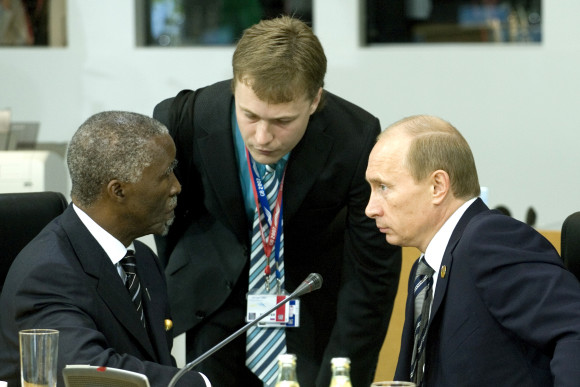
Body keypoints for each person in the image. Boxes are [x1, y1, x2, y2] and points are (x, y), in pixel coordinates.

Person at [152, 16, 401, 387]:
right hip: (215, 306)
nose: (263, 136)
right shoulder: (184, 119)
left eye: (283, 121)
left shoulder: (356, 138)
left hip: (310, 307)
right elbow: (165, 223)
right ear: (236, 87)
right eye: (249, 116)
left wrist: (343, 371)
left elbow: (371, 273)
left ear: (315, 100)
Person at [365, 114, 580, 386]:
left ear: (437, 186)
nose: (370, 208)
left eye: (383, 187)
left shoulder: (489, 240)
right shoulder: (425, 269)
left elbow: (574, 329)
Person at [0, 111, 210, 387]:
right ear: (118, 190)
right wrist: (202, 384)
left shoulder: (141, 259)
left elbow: (155, 362)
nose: (176, 186)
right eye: (165, 175)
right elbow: (90, 373)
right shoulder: (48, 274)